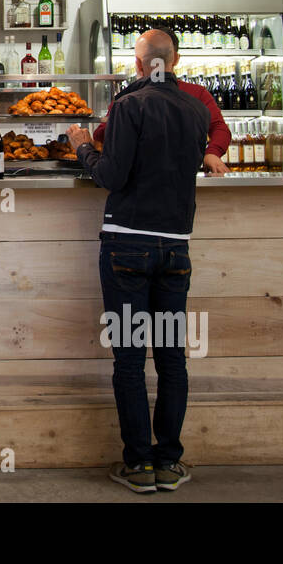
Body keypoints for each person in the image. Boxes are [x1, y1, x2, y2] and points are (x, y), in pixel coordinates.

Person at [67, 30, 209, 494]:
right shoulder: (195, 110)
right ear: (176, 60)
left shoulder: (129, 106)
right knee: (172, 359)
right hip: (176, 249)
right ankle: (169, 461)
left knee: (129, 361)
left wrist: (83, 145)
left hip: (127, 246)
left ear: (139, 62)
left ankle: (139, 466)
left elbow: (111, 175)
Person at [92, 28, 230, 175]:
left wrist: (84, 148)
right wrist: (212, 153)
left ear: (138, 63)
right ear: (176, 59)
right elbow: (220, 128)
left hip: (136, 183)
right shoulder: (197, 95)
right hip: (184, 185)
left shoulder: (128, 99)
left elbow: (102, 134)